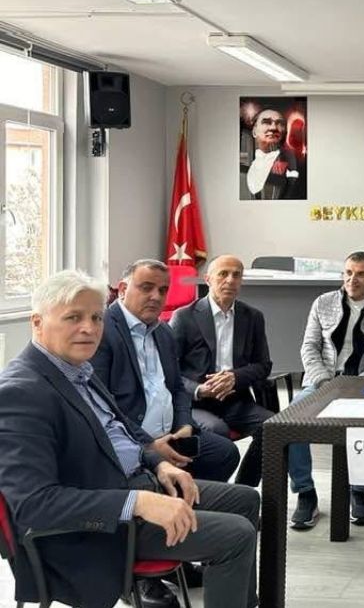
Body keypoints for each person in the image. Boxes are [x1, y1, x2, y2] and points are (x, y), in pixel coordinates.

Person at [0, 270, 258, 608]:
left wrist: (159, 464)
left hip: (136, 484)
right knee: (236, 535)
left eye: (96, 317)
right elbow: (34, 506)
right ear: (37, 323)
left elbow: (119, 434)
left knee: (246, 500)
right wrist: (137, 502)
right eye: (73, 317)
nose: (90, 328)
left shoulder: (77, 369)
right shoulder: (20, 393)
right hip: (95, 530)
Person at [92, 259, 240, 485]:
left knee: (224, 454)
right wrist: (149, 444)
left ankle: (186, 497)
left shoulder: (164, 332)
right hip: (132, 439)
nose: (156, 296)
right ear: (122, 289)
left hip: (172, 433)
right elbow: (101, 405)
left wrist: (184, 424)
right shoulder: (101, 331)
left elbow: (177, 388)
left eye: (163, 290)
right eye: (146, 288)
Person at [288, 251, 364, 530]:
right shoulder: (322, 303)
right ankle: (306, 492)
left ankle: (359, 491)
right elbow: (309, 347)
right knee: (291, 419)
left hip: (362, 386)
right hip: (321, 383)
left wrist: (355, 385)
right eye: (348, 273)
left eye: (360, 274)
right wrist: (325, 381)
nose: (352, 279)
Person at [169, 255, 275, 488]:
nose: (230, 280)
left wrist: (235, 378)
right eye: (223, 274)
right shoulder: (184, 317)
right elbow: (168, 371)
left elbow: (263, 365)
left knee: (274, 428)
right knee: (218, 432)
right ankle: (211, 490)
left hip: (235, 400)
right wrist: (199, 389)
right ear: (208, 279)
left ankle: (243, 488)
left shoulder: (253, 317)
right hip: (196, 403)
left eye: (236, 275)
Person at [240, 107, 305, 201]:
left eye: (279, 123)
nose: (273, 128)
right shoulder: (242, 160)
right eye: (266, 122)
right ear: (254, 131)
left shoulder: (295, 163)